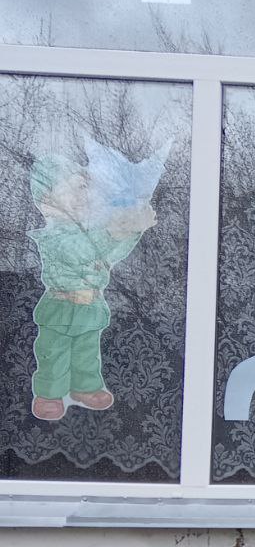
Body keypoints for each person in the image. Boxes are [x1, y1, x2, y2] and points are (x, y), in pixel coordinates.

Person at [27, 153, 157, 422]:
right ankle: (49, 393)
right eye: (74, 188)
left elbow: (110, 254)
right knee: (54, 351)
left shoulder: (89, 232)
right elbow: (77, 252)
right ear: (48, 201)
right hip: (61, 306)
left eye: (85, 189)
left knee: (87, 351)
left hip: (90, 305)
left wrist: (132, 231)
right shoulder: (53, 235)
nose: (83, 195)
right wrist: (112, 231)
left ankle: (84, 387)